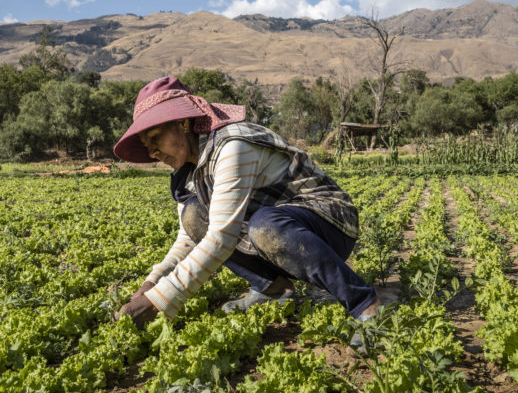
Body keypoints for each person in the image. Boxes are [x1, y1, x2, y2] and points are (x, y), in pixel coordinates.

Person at [111, 76, 381, 329]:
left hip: (329, 224)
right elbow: (189, 237)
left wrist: (156, 303)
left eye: (155, 138)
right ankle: (275, 289)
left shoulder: (232, 146)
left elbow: (222, 237)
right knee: (194, 215)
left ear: (182, 123)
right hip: (281, 227)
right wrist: (148, 286)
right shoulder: (190, 172)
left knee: (265, 226)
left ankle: (365, 305)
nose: (153, 152)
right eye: (147, 145)